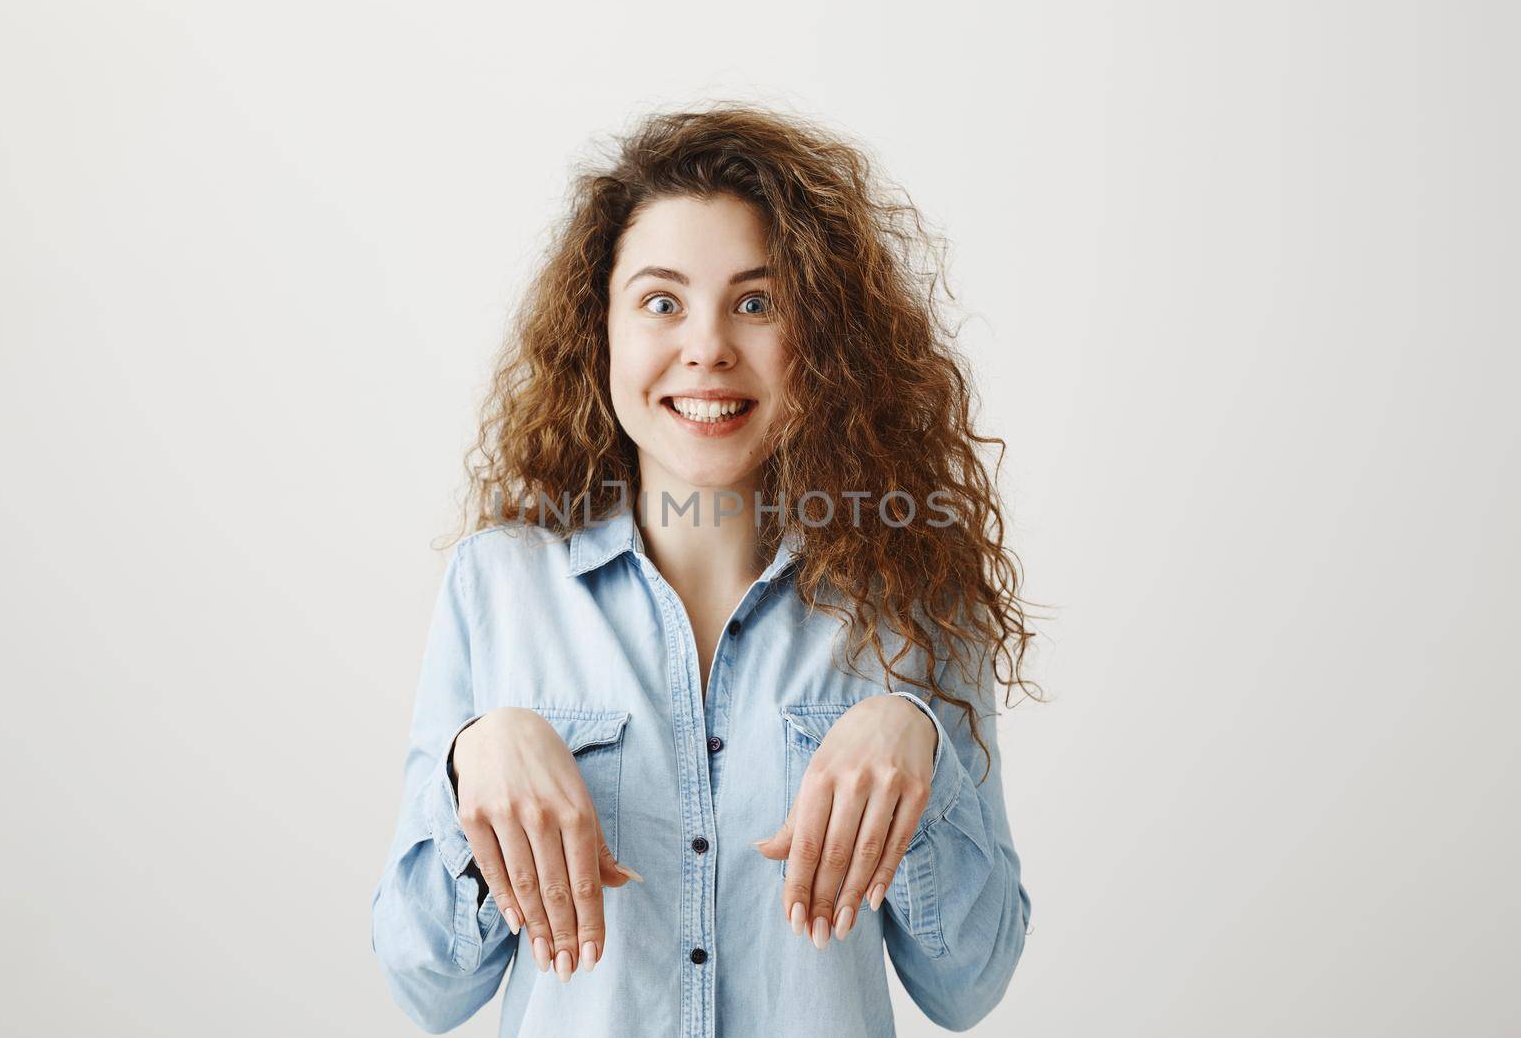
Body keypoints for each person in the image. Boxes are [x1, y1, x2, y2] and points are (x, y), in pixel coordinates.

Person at [370, 103, 1038, 1036]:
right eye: (661, 300)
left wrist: (918, 741)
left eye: (757, 302)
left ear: (825, 339)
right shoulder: (497, 586)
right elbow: (426, 986)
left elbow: (969, 983)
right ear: (599, 327)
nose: (709, 346)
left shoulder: (916, 597)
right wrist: (468, 762)